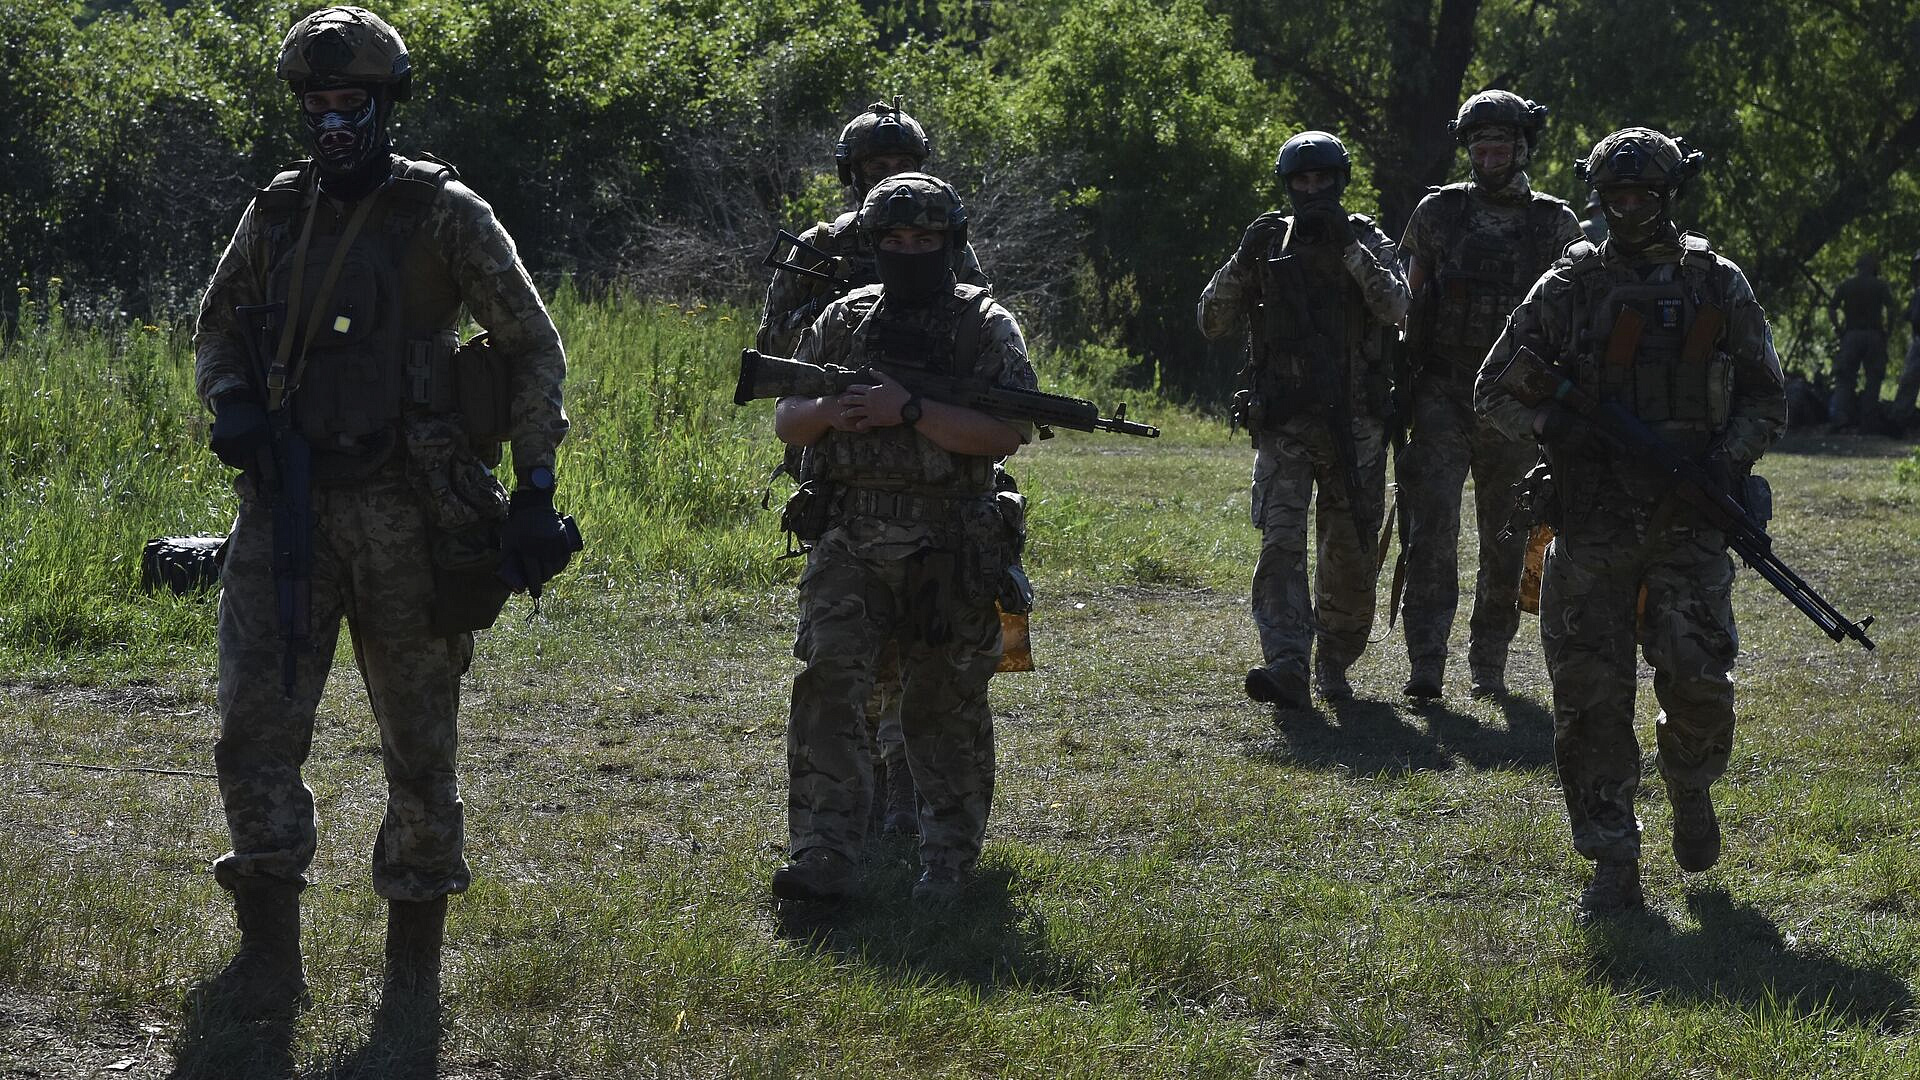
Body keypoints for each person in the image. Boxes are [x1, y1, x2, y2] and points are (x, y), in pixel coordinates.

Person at [192, 5, 576, 1017]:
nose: (333, 119)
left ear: (385, 104)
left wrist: (534, 490)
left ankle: (411, 961)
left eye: (350, 100)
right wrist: (232, 402)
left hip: (413, 510)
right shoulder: (276, 215)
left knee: (419, 742)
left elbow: (531, 346)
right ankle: (269, 947)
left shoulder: (445, 213)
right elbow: (219, 325)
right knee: (254, 729)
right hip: (287, 511)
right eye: (317, 101)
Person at [1475, 128, 1787, 918]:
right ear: (1599, 199)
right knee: (1588, 704)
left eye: (1644, 194)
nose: (1630, 208)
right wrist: (1554, 425)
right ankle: (1612, 860)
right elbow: (1494, 389)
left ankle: (1689, 785)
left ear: (1669, 195)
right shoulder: (1569, 286)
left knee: (1701, 687)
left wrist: (1728, 462)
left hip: (1688, 524)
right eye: (1616, 197)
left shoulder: (1717, 284)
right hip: (1593, 526)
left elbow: (1765, 396)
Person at [769, 173, 1034, 905]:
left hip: (950, 542)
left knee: (942, 703)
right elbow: (787, 417)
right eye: (894, 239)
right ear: (873, 244)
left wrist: (908, 410)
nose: (909, 250)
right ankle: (823, 853)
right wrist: (834, 411)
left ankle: (947, 859)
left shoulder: (985, 325)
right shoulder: (842, 319)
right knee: (829, 685)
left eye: (925, 239)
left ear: (951, 243)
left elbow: (1008, 432)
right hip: (848, 537)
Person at [761, 101, 995, 841]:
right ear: (850, 173)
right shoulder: (819, 249)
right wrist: (840, 366)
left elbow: (979, 330)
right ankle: (846, 799)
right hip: (842, 446)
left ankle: (904, 790)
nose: (888, 177)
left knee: (928, 636)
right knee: (842, 642)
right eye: (872, 168)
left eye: (901, 163)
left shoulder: (943, 237)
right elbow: (775, 351)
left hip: (931, 450)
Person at [1198, 131, 1410, 709]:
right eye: (1301, 181)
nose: (1312, 191)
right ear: (1287, 185)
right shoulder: (1267, 240)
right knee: (1281, 546)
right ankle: (1287, 662)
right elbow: (1211, 319)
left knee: (1350, 552)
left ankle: (1334, 666)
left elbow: (1397, 308)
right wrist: (1245, 258)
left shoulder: (1365, 237)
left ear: (1340, 181)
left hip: (1355, 425)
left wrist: (1348, 251)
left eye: (1321, 180)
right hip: (1286, 424)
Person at [1395, 90, 1583, 699]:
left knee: (1507, 542)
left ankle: (1488, 668)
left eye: (1501, 141)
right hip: (1442, 392)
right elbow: (1404, 300)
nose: (1490, 151)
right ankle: (1425, 668)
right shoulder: (1438, 214)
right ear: (1467, 148)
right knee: (1431, 535)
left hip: (1514, 405)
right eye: (1479, 141)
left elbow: (1574, 322)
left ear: (1523, 146)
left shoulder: (1554, 224)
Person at [1826, 253, 1900, 429]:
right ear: (1874, 268)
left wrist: (1838, 329)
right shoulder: (1880, 285)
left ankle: (1841, 418)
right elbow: (1891, 309)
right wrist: (1888, 330)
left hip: (1851, 335)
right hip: (1874, 336)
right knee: (1873, 379)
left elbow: (1832, 308)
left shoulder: (1847, 285)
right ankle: (1868, 421)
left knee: (1845, 378)